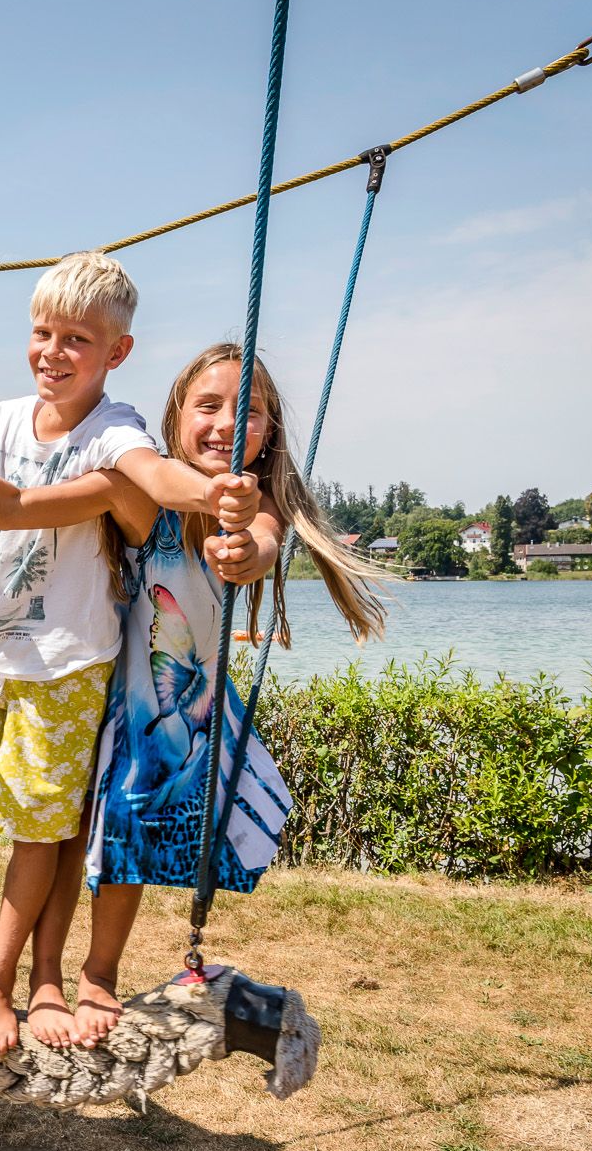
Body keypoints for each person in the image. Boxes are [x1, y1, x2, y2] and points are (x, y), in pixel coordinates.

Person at [0, 249, 274, 1061]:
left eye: (77, 340)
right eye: (42, 333)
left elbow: (142, 482)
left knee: (42, 828)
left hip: (66, 661)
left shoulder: (115, 430)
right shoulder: (0, 420)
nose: (53, 352)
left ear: (117, 352)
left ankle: (1, 976)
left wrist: (218, 494)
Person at [75, 344, 388, 1040]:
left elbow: (262, 542)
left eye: (248, 412)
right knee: (110, 829)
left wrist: (244, 550)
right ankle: (82, 973)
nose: (226, 423)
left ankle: (107, 970)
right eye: (208, 405)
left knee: (155, 828)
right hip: (124, 697)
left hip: (199, 707)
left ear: (268, 432)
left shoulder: (256, 504)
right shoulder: (152, 491)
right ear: (176, 416)